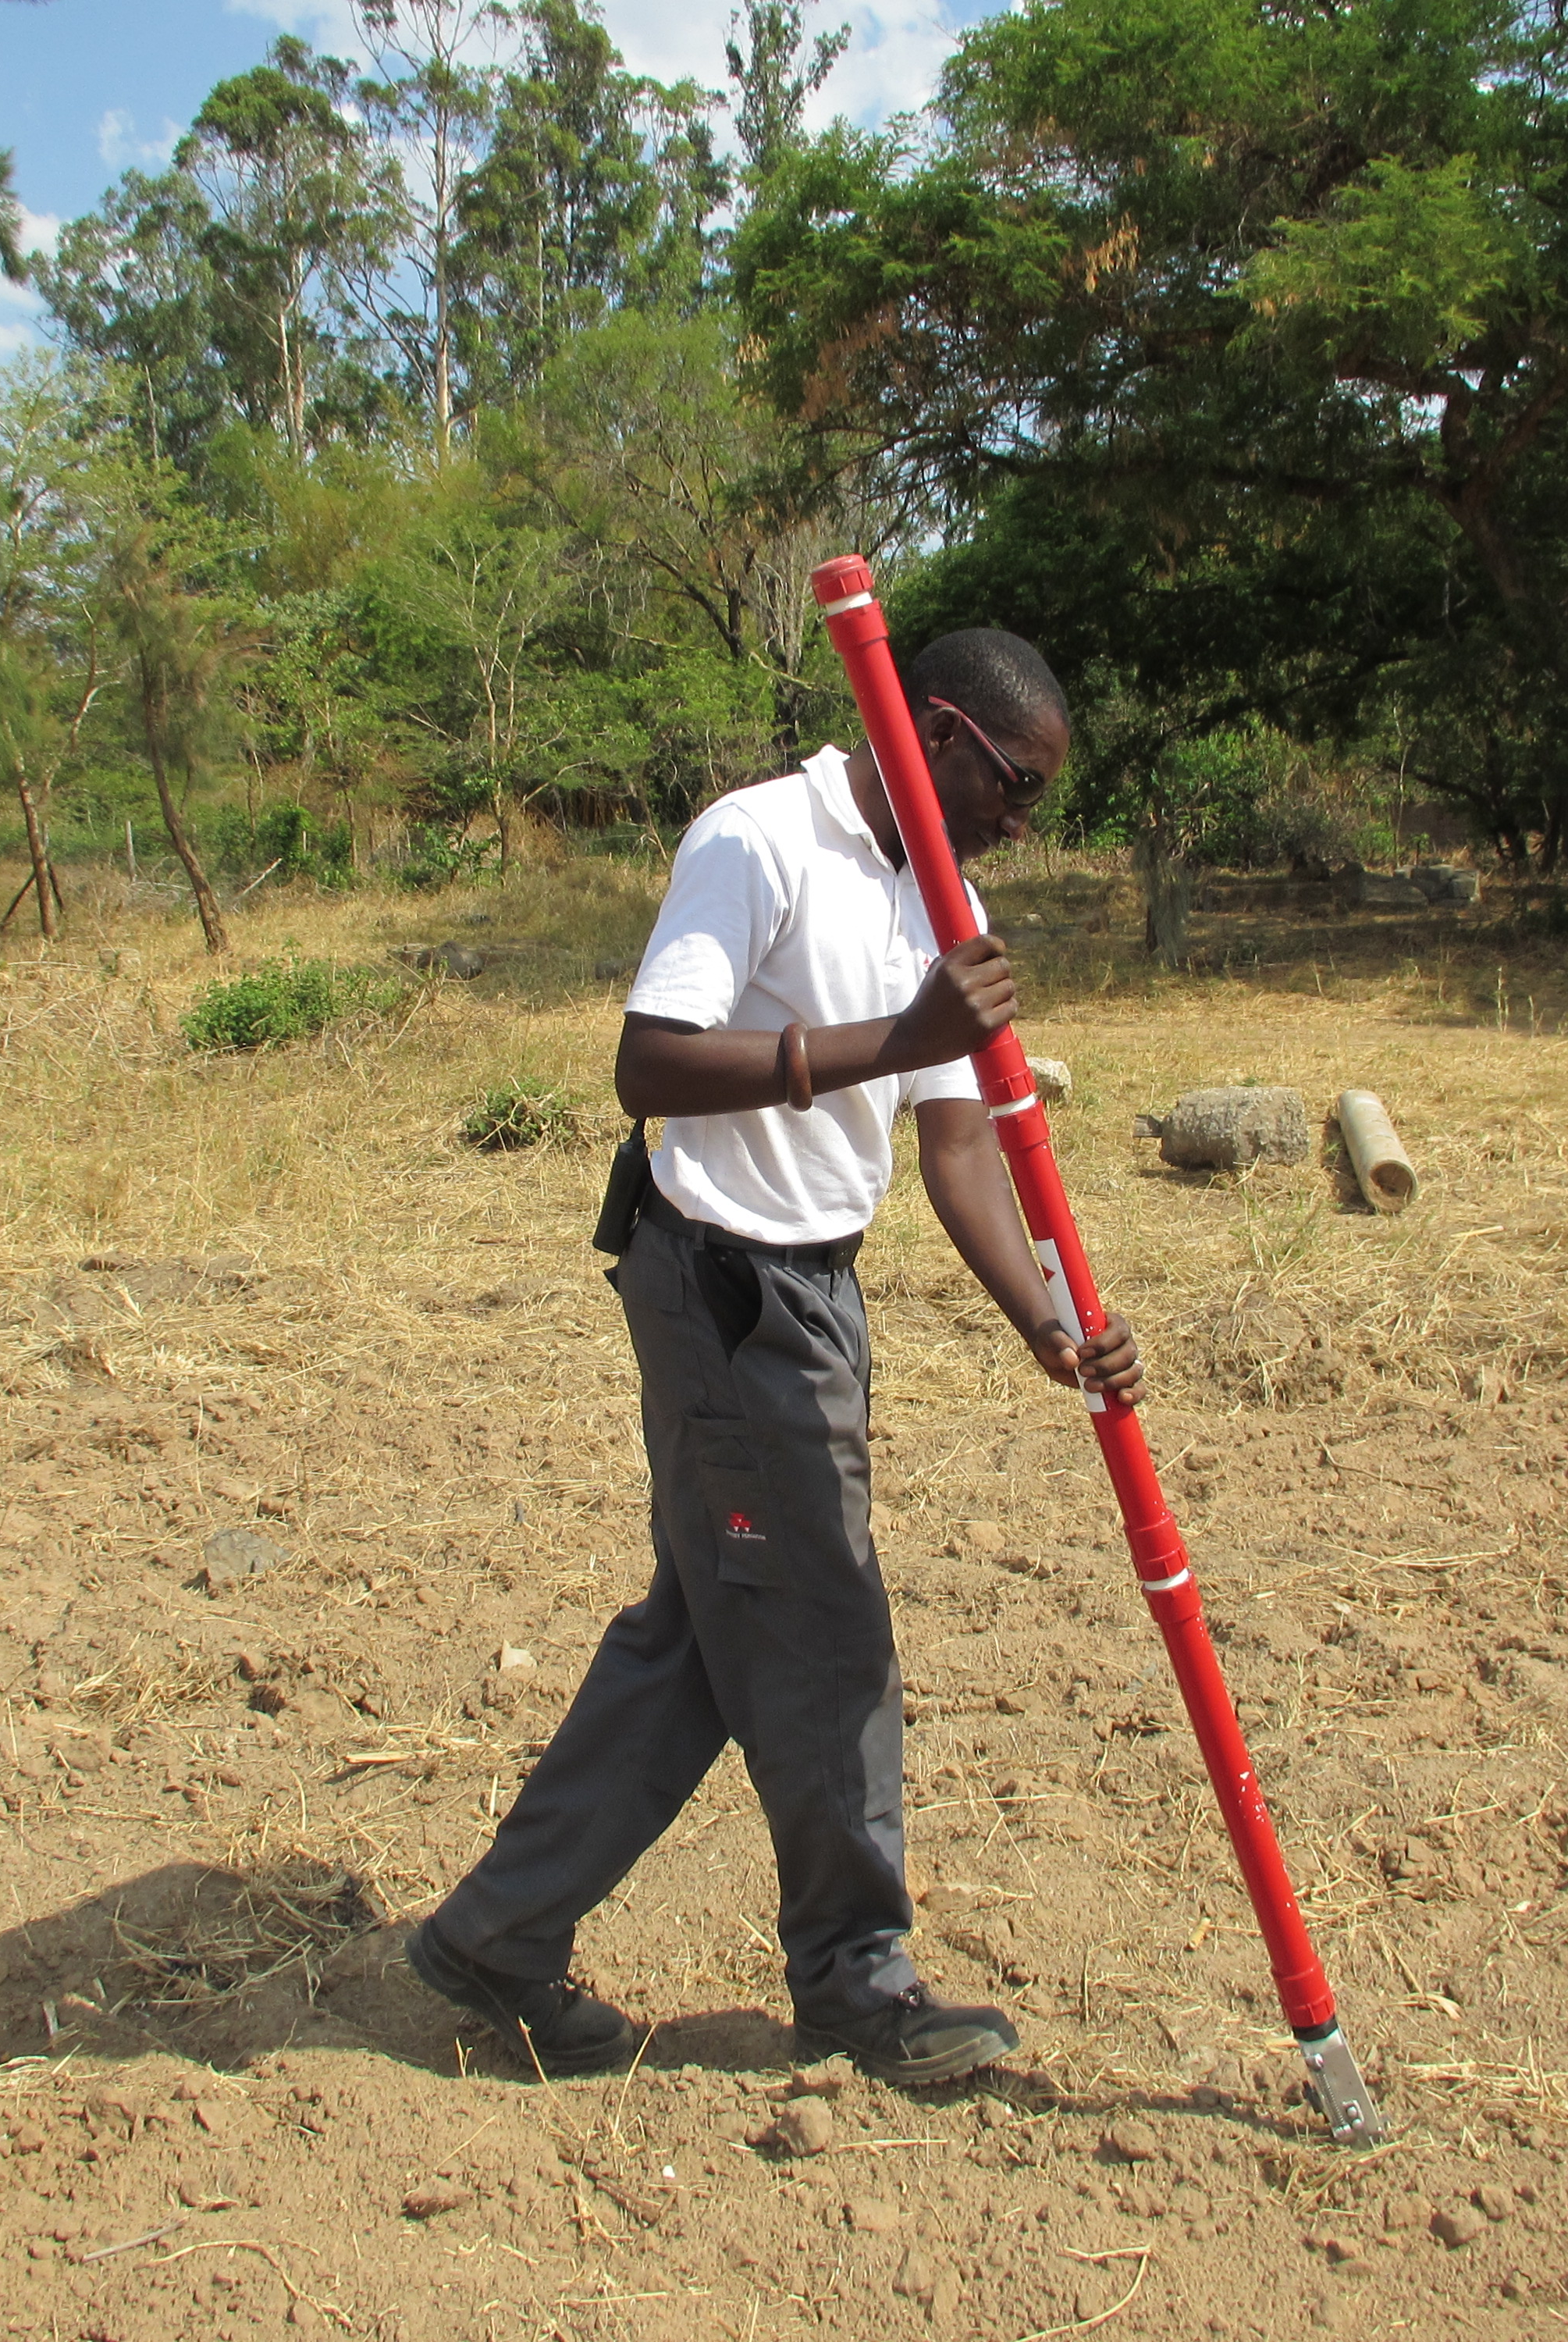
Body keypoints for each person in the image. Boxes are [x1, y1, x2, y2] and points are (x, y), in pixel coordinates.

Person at [407, 628, 1143, 2087]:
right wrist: (876, 1039)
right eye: (1015, 784)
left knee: (707, 1636)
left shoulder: (945, 898)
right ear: (933, 731)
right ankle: (858, 1981)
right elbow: (647, 1064)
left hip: (819, 1296)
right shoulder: (755, 839)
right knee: (827, 1639)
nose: (1020, 820)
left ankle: (497, 1936)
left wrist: (1049, 1321)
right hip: (716, 1292)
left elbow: (957, 1151)